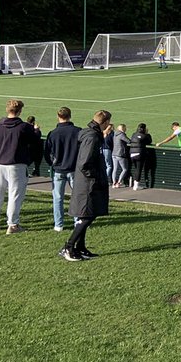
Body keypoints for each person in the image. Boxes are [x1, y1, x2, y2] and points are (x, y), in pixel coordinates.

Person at [60, 110, 112, 261]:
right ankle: (68, 247)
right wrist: (94, 177)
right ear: (106, 122)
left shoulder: (90, 134)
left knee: (87, 214)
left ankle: (80, 247)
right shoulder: (92, 137)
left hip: (87, 182)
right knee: (87, 215)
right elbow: (85, 163)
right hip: (88, 183)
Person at [0, 99, 35, 234]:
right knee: (15, 195)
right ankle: (13, 224)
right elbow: (34, 142)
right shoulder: (24, 127)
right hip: (16, 164)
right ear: (19, 111)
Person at [45, 107, 81, 233]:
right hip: (73, 168)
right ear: (70, 116)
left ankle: (58, 224)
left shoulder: (53, 133)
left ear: (58, 116)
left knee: (58, 198)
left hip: (59, 169)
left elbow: (47, 153)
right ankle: (77, 221)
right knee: (76, 196)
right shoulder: (78, 131)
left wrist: (52, 164)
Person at [129, 123, 155, 190]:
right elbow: (149, 141)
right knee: (138, 170)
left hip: (132, 153)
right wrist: (147, 134)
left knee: (136, 169)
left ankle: (135, 184)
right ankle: (136, 185)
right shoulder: (145, 135)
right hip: (139, 154)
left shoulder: (134, 134)